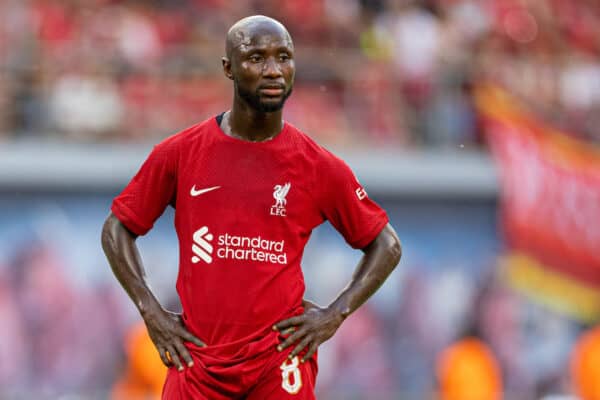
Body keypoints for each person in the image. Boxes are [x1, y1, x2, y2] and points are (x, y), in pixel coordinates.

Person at [101, 15, 401, 400]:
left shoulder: (318, 166)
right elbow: (117, 228)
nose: (274, 70)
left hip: (278, 360)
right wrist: (151, 312)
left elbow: (386, 245)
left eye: (284, 57)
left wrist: (334, 315)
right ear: (228, 68)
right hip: (198, 362)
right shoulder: (181, 154)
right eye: (256, 58)